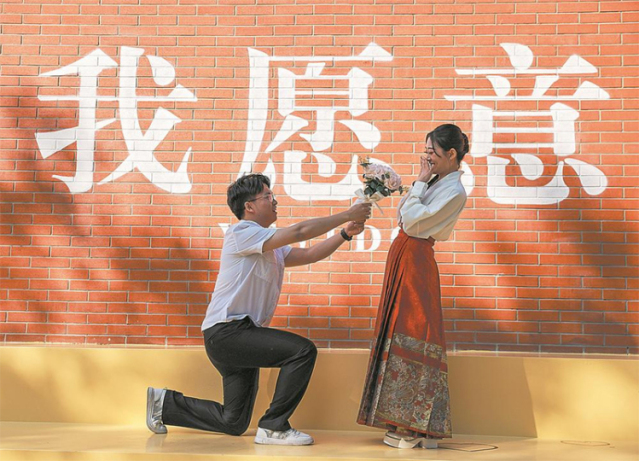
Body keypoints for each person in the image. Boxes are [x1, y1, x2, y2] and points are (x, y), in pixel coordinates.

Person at [146, 173, 372, 446]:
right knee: (302, 351)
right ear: (249, 206)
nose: (274, 201)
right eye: (268, 196)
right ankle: (274, 426)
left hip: (238, 335)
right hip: (227, 332)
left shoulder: (270, 245)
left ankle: (164, 404)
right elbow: (300, 232)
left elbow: (310, 254)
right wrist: (347, 214)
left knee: (234, 421)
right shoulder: (241, 233)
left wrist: (345, 233)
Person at [356, 124, 469, 449]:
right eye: (426, 151)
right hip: (406, 254)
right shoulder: (437, 182)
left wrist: (419, 180)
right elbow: (406, 215)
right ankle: (409, 425)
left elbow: (412, 219)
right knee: (401, 330)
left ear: (451, 154)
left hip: (416, 259)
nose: (426, 158)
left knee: (414, 332)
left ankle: (412, 427)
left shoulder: (454, 190)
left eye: (432, 152)